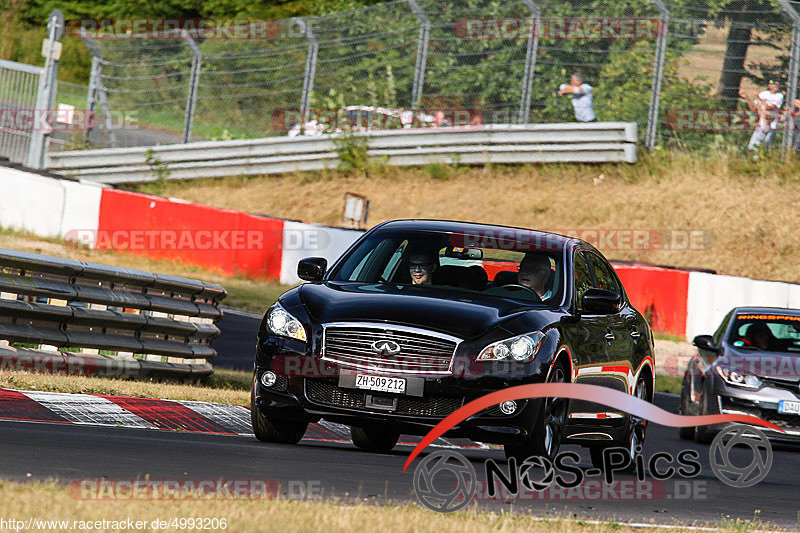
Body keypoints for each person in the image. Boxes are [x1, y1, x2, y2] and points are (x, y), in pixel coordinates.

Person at [739, 80, 784, 155]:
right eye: (774, 84)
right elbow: (753, 108)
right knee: (752, 148)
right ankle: (753, 163)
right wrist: (747, 97)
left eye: (777, 84)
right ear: (769, 85)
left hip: (771, 127)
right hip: (762, 125)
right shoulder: (764, 94)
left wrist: (759, 98)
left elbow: (770, 108)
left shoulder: (779, 96)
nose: (776, 86)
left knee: (764, 149)